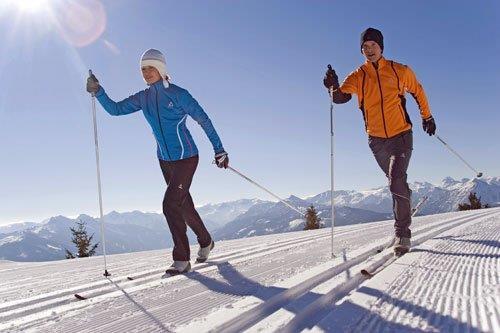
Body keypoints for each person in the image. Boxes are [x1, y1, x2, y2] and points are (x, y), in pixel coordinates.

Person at [86, 48, 228, 274]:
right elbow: (115, 109)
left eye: (151, 67)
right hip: (164, 160)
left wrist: (219, 150)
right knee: (183, 205)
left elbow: (204, 119)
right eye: (143, 69)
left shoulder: (179, 94)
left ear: (161, 69)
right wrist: (99, 91)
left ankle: (181, 259)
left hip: (186, 157)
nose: (146, 72)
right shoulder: (143, 98)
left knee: (170, 204)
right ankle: (206, 241)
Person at [323, 28, 436, 256]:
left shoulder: (399, 70)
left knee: (395, 182)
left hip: (401, 135)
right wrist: (331, 86)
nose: (369, 50)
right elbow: (341, 97)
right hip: (376, 141)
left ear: (381, 47)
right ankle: (404, 195)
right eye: (365, 47)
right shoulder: (358, 75)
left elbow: (418, 90)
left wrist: (427, 116)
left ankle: (402, 234)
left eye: (373, 45)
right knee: (396, 183)